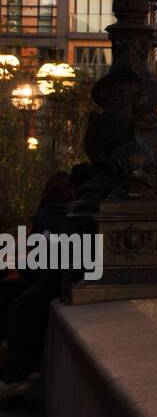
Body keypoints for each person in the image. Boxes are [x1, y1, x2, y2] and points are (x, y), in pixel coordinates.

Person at [0, 171, 74, 404]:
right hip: (59, 279)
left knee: (14, 303)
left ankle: (14, 378)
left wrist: (16, 272)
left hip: (50, 279)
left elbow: (37, 261)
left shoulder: (45, 216)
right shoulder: (74, 216)